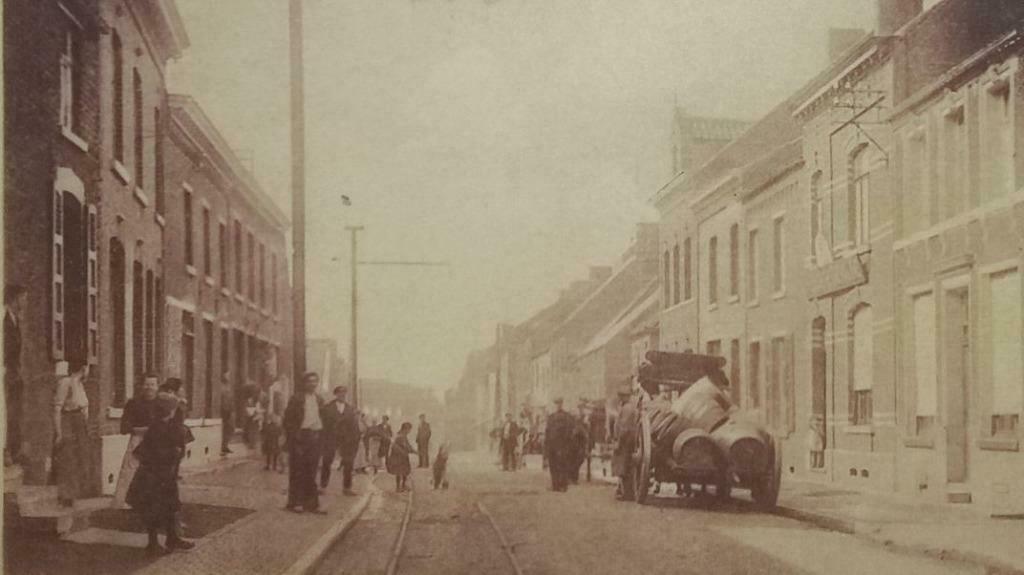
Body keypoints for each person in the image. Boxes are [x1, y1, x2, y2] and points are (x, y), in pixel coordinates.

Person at [127, 393, 195, 555]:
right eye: (174, 408)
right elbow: (153, 452)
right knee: (154, 509)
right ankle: (152, 544)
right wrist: (173, 452)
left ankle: (172, 538)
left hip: (164, 476)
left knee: (170, 507)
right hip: (154, 477)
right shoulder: (158, 428)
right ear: (169, 410)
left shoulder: (166, 425)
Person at [112, 373, 160, 509]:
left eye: (152, 384)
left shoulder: (162, 405)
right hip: (137, 440)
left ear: (157, 387)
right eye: (146, 384)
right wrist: (141, 430)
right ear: (141, 386)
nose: (149, 387)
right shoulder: (133, 403)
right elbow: (124, 427)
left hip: (157, 442)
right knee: (129, 469)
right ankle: (120, 502)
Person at [283, 372, 326, 513]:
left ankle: (312, 505)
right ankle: (296, 502)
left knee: (312, 471)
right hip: (301, 437)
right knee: (298, 471)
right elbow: (288, 420)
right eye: (309, 381)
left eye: (315, 381)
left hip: (315, 437)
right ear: (304, 383)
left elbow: (324, 419)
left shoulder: (319, 400)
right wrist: (293, 437)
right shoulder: (297, 399)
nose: (312, 384)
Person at [52, 360, 90, 506]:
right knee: (67, 458)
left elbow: (84, 407)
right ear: (83, 368)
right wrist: (59, 432)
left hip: (80, 424)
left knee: (80, 458)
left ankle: (73, 494)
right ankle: (65, 496)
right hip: (68, 421)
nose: (88, 371)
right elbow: (57, 408)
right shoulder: (65, 383)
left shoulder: (80, 385)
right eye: (87, 368)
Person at [319, 386, 361, 495]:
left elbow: (354, 426)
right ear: (336, 394)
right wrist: (323, 438)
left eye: (344, 393)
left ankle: (347, 488)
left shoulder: (350, 409)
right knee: (327, 461)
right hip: (331, 438)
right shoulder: (328, 408)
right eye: (340, 393)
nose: (342, 395)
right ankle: (323, 486)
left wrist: (354, 439)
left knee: (348, 463)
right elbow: (323, 424)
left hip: (346, 440)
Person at [4, 284, 26, 467]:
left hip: (14, 374)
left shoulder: (16, 319)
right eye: (23, 297)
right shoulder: (4, 320)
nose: (25, 301)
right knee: (9, 413)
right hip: (7, 374)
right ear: (14, 298)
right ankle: (8, 451)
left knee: (16, 413)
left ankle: (13, 450)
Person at [544, 398, 576, 492]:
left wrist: (566, 444)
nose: (558, 405)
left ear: (562, 404)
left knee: (562, 465)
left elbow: (570, 431)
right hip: (552, 445)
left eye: (560, 404)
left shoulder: (567, 417)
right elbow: (547, 432)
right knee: (553, 465)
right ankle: (555, 485)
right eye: (556, 404)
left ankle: (563, 486)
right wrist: (547, 445)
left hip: (562, 445)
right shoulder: (551, 417)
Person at [387, 422, 417, 492]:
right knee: (400, 471)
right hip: (399, 457)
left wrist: (413, 451)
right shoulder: (401, 436)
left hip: (402, 456)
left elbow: (408, 446)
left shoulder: (403, 435)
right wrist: (414, 451)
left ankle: (403, 486)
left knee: (404, 471)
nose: (409, 431)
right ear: (405, 429)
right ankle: (399, 487)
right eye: (409, 429)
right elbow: (406, 446)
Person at [220, 373, 235, 455]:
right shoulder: (221, 387)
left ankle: (225, 445)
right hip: (224, 411)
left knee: (230, 428)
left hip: (229, 410)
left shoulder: (228, 386)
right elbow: (223, 400)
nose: (229, 377)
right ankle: (223, 446)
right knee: (225, 428)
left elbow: (230, 399)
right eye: (227, 375)